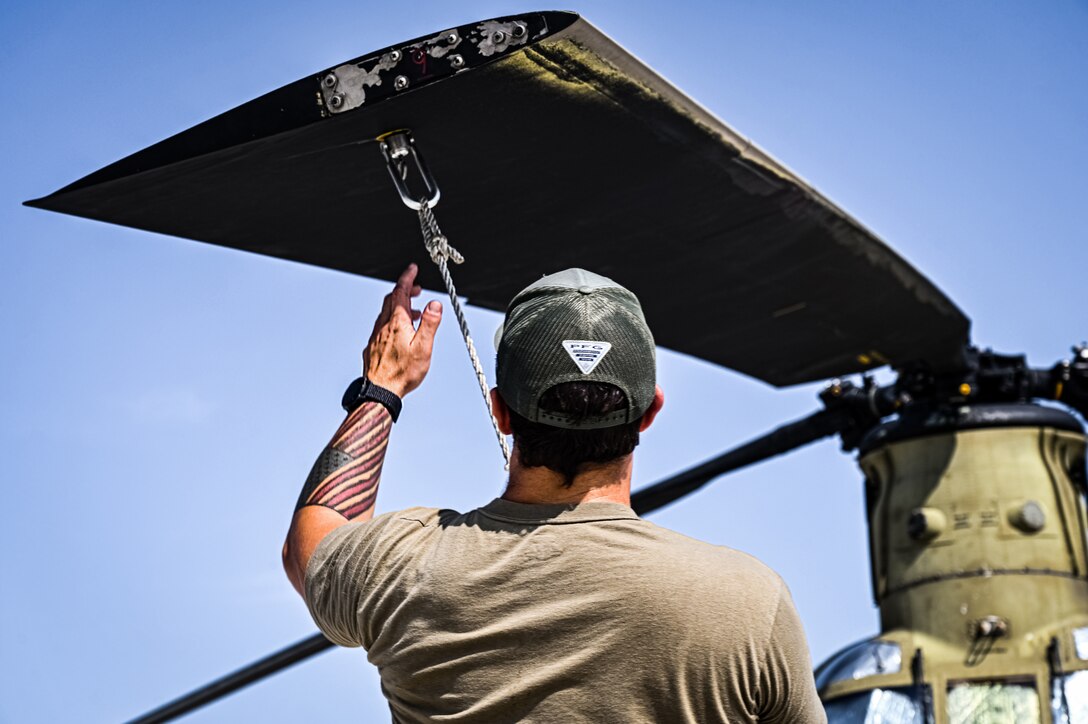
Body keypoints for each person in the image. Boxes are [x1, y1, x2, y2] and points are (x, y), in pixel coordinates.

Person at [283, 263, 826, 723]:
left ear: (500, 413)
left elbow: (313, 535)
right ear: (651, 410)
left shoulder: (403, 568)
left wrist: (382, 387)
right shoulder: (749, 603)